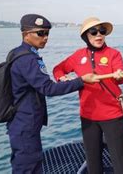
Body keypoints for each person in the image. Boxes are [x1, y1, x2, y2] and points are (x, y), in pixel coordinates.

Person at [8, 14, 98, 174]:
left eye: (47, 33)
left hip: (21, 121)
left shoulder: (17, 53)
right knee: (28, 166)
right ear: (26, 34)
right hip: (25, 123)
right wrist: (81, 81)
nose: (45, 38)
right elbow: (48, 88)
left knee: (27, 163)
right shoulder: (27, 59)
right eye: (40, 33)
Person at [53, 17, 123, 174]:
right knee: (92, 158)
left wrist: (119, 76)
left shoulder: (114, 54)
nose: (99, 35)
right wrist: (62, 78)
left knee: (120, 159)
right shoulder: (78, 56)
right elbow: (58, 69)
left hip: (112, 115)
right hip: (88, 116)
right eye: (94, 32)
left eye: (102, 32)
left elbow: (122, 77)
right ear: (85, 36)